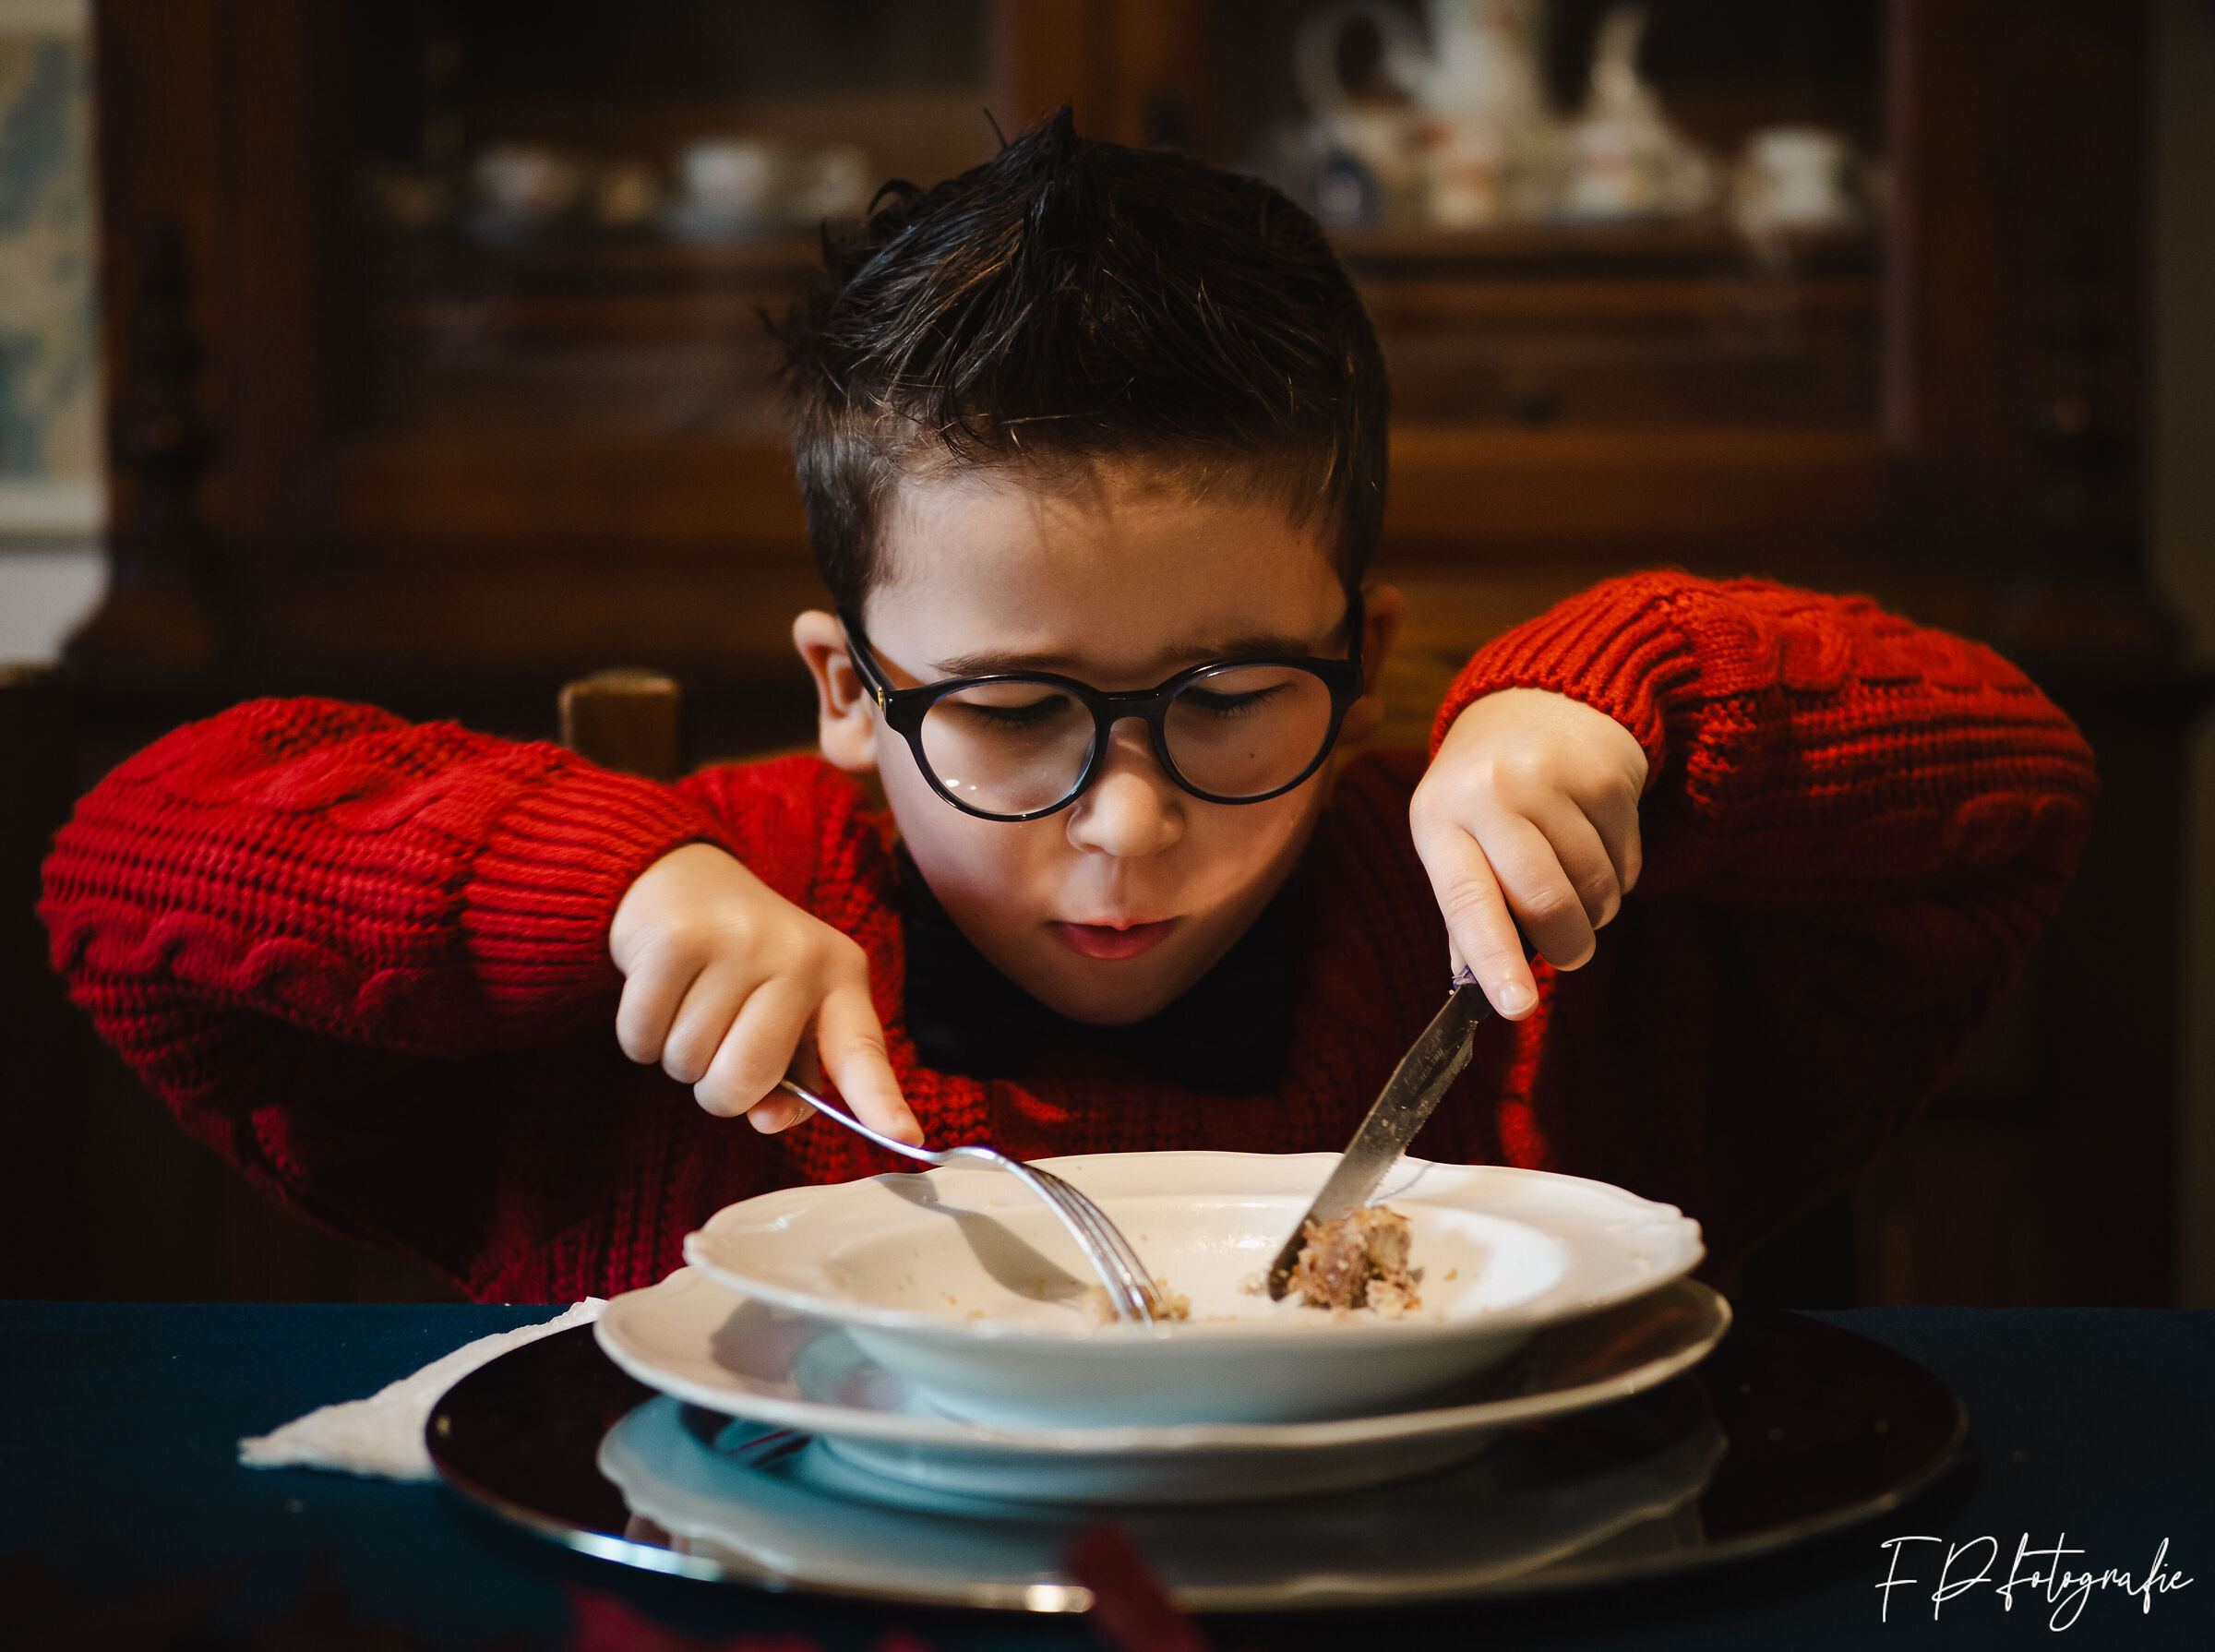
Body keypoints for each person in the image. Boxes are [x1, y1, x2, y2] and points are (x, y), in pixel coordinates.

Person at [41, 114, 2096, 1304]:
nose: (1126, 832)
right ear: (850, 688)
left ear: (1362, 659)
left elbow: (2018, 792)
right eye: (1013, 713)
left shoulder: (1505, 935)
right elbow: (114, 868)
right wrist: (602, 889)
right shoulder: (709, 930)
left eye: (1226, 696)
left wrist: (1617, 701)